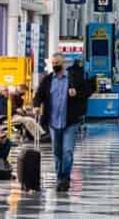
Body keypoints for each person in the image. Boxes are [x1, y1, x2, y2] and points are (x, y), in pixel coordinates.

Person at [33, 53, 90, 191]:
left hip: (70, 121)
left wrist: (76, 92)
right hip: (53, 122)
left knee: (68, 151)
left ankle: (65, 178)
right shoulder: (47, 80)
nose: (55, 65)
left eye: (58, 62)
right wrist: (36, 105)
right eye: (53, 62)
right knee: (57, 152)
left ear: (63, 63)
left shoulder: (73, 78)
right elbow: (39, 95)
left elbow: (87, 90)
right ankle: (60, 177)